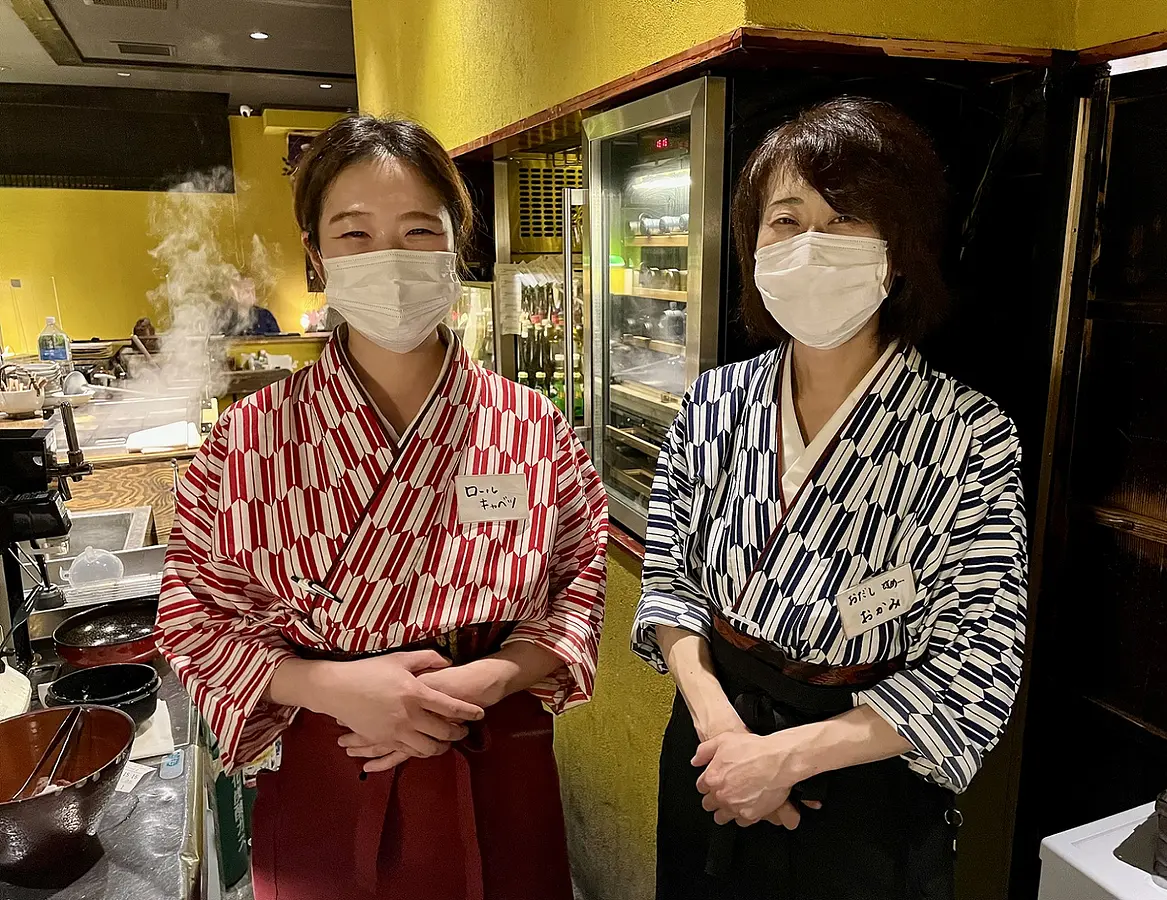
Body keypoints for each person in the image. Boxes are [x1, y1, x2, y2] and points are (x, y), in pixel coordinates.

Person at [156, 116, 608, 900]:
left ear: (456, 245)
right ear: (317, 255)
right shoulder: (248, 439)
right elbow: (191, 615)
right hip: (334, 758)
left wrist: (492, 678)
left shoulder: (532, 426)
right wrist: (332, 689)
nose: (389, 257)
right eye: (355, 232)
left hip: (493, 752)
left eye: (418, 230)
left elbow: (578, 588)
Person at [631, 97, 1028, 900]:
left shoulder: (971, 435)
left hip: (863, 777)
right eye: (784, 220)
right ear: (751, 246)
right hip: (712, 752)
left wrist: (782, 760)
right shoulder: (712, 402)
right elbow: (669, 576)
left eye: (843, 218)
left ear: (899, 249)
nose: (808, 245)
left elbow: (976, 660)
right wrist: (721, 731)